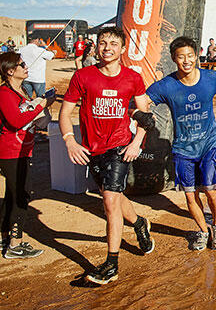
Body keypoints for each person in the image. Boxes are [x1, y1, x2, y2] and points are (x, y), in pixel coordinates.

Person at [59, 27, 156, 285]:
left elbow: (145, 116)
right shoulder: (83, 76)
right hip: (93, 149)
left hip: (120, 147)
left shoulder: (133, 78)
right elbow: (65, 112)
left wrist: (136, 143)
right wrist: (70, 141)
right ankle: (139, 223)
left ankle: (111, 265)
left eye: (113, 43)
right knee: (113, 195)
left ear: (122, 49)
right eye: (103, 43)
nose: (107, 48)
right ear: (96, 46)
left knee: (110, 202)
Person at [146, 37, 216, 251]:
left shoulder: (211, 78)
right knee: (190, 194)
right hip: (183, 148)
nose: (186, 61)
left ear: (197, 55)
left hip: (209, 143)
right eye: (181, 57)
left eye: (190, 56)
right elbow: (142, 100)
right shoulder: (167, 85)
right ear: (174, 59)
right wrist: (140, 114)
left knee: (211, 188)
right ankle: (203, 231)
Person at [0, 52, 55, 259]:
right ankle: (15, 244)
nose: (26, 67)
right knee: (21, 195)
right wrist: (40, 105)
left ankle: (4, 236)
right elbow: (15, 121)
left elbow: (27, 117)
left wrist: (41, 108)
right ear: (9, 71)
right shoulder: (4, 93)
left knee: (13, 194)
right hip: (11, 151)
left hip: (22, 149)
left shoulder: (20, 90)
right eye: (21, 64)